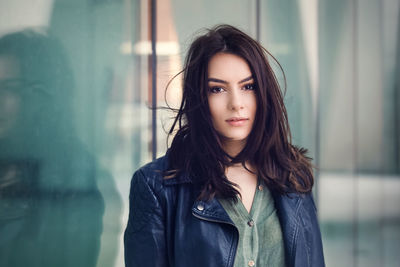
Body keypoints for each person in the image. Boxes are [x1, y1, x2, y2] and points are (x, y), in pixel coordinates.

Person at [124, 24, 325, 267]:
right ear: (200, 96)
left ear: (263, 92)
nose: (236, 103)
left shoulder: (293, 175)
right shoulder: (156, 188)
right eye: (217, 89)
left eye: (248, 86)